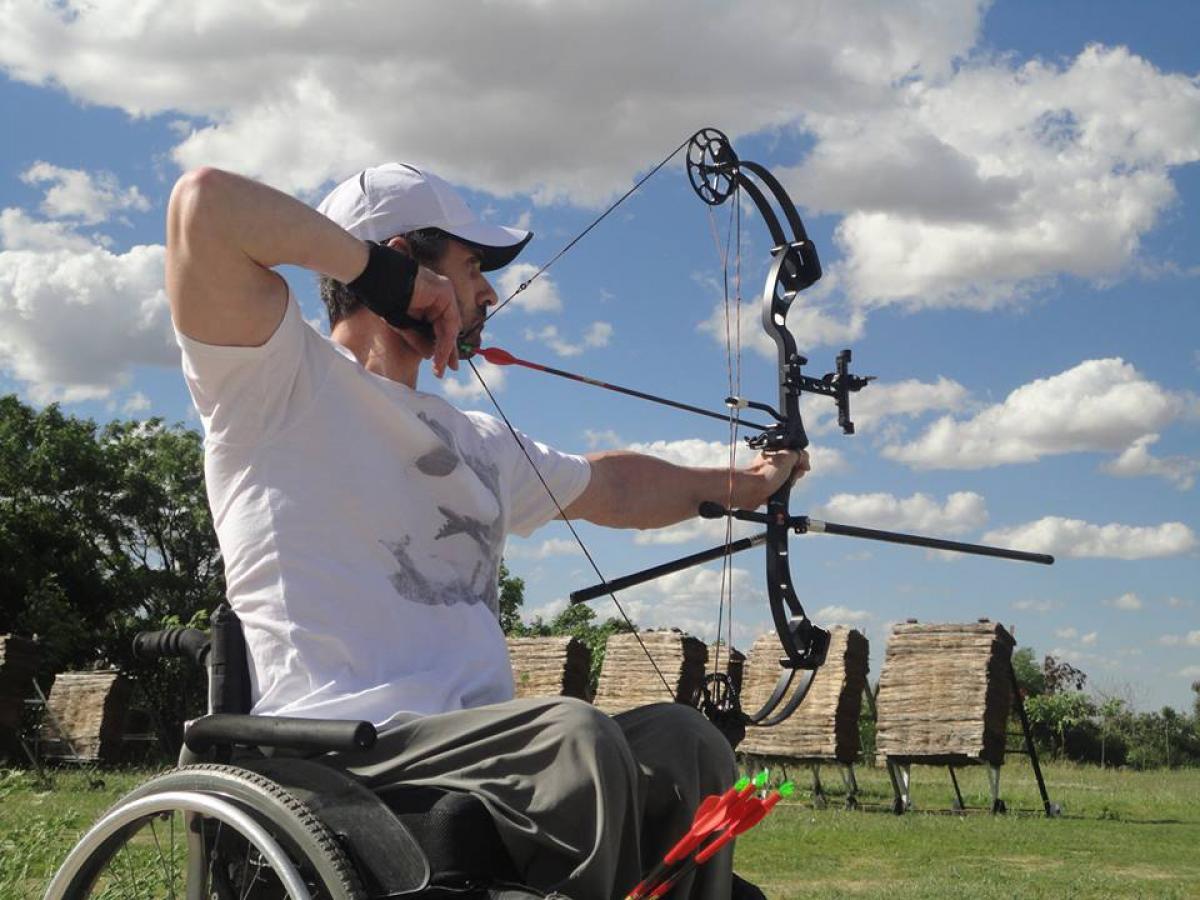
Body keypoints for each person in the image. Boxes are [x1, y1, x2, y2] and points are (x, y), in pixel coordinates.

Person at [166, 161, 809, 899]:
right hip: (345, 754)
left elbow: (614, 484)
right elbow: (203, 205)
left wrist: (750, 486)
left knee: (685, 743)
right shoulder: (274, 383)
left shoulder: (475, 439)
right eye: (471, 265)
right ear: (403, 261)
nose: (488, 292)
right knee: (573, 740)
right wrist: (381, 273)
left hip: (484, 750)